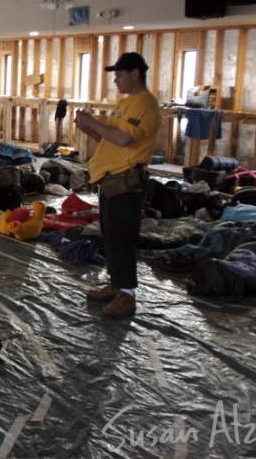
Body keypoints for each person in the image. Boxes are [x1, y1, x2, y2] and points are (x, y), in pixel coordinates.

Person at [73, 52, 160, 318]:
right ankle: (115, 284)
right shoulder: (125, 104)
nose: (116, 81)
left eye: (120, 75)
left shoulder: (145, 103)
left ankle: (127, 294)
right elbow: (109, 139)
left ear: (136, 74)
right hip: (112, 177)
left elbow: (123, 140)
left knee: (122, 236)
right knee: (110, 235)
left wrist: (93, 123)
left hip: (127, 179)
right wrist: (89, 128)